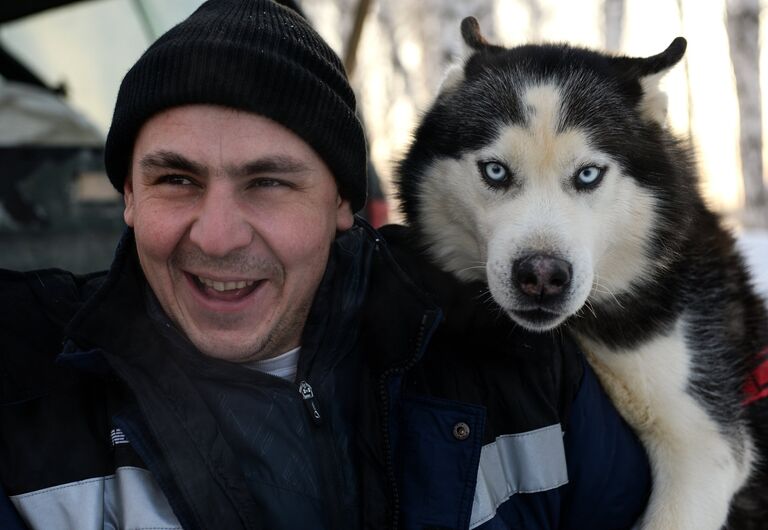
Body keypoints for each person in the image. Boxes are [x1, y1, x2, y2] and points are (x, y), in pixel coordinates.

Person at [0, 1, 650, 529]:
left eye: (269, 183)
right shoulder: (31, 401)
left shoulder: (511, 358)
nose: (219, 236)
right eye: (175, 179)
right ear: (130, 198)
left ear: (342, 202)